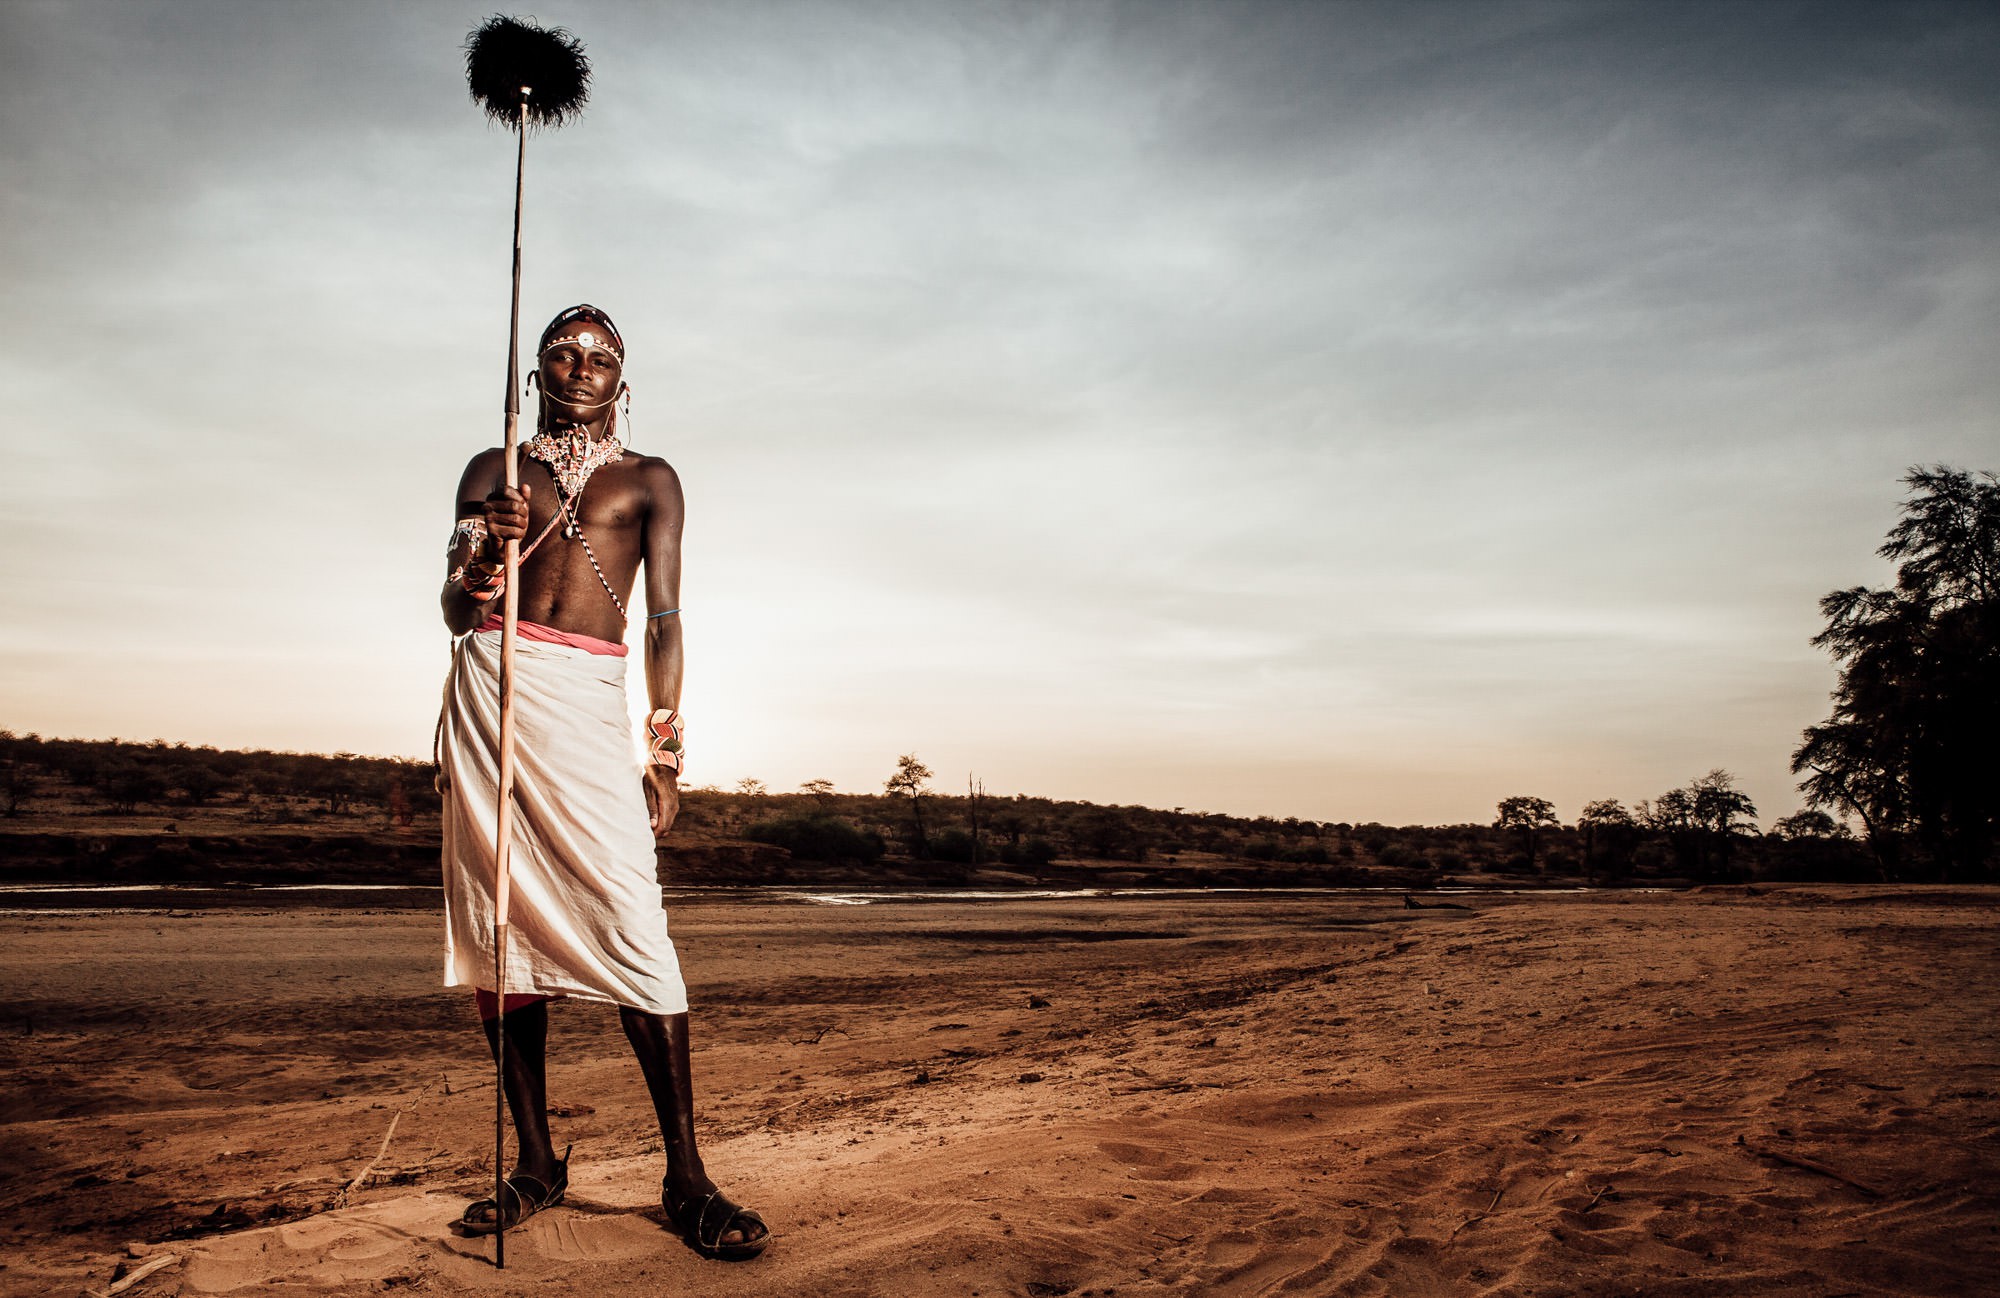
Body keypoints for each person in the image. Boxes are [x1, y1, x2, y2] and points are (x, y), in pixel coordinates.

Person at [436, 304, 767, 1262]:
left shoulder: (649, 481)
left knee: (635, 924)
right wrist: (482, 551)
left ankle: (687, 1178)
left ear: (624, 376)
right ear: (536, 369)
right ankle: (536, 1161)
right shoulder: (492, 471)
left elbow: (663, 621)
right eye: (562, 354)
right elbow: (455, 610)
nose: (581, 368)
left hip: (586, 699)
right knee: (501, 924)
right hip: (490, 696)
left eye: (600, 358)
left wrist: (663, 751)